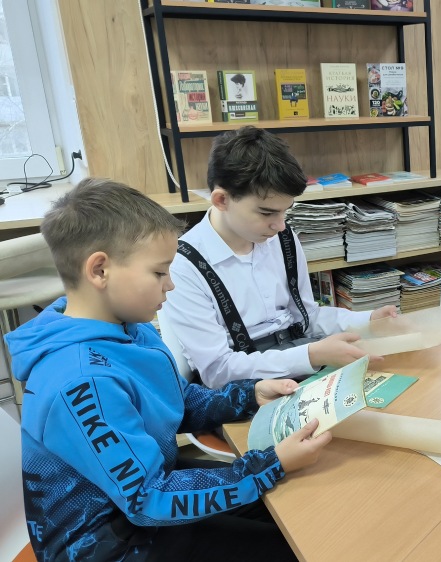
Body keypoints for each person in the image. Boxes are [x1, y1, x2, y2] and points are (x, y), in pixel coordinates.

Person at [7, 178, 332, 561]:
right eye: (159, 273)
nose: (171, 285)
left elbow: (173, 400)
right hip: (110, 544)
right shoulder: (81, 380)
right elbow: (148, 499)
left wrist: (248, 395)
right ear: (100, 270)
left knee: (291, 510)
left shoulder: (127, 327)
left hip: (142, 503)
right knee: (293, 546)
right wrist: (270, 465)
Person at [163, 126, 396, 389]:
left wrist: (368, 320)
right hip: (245, 387)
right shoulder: (183, 265)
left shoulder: (281, 237)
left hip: (301, 357)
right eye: (267, 213)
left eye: (285, 211)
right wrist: (311, 355)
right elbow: (217, 371)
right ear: (221, 200)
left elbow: (307, 317)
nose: (280, 225)